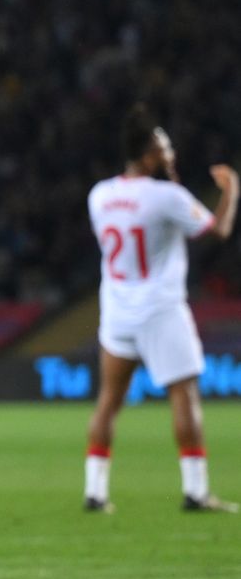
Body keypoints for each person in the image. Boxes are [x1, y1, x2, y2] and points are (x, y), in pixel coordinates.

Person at [83, 107, 237, 514]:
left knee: (108, 401)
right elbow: (217, 231)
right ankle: (196, 491)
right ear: (149, 153)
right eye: (165, 147)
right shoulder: (167, 197)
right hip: (161, 310)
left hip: (117, 310)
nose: (171, 153)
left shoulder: (99, 195)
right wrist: (231, 190)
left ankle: (95, 492)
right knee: (184, 395)